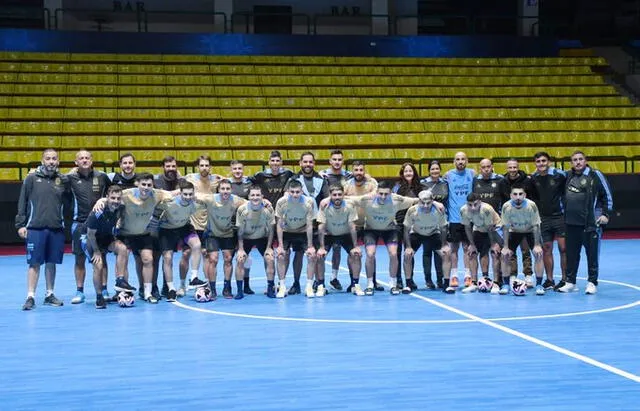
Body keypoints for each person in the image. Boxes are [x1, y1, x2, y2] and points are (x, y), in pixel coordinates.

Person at [100, 172, 174, 303]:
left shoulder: (157, 194)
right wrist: (101, 200)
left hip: (142, 233)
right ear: (137, 184)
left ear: (152, 186)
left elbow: (175, 193)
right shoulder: (127, 194)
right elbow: (112, 197)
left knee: (148, 259)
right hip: (124, 233)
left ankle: (147, 292)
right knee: (123, 260)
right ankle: (122, 292)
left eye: (149, 185)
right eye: (143, 184)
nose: (146, 187)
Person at [342, 180, 419, 295]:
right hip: (371, 229)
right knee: (370, 254)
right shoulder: (367, 199)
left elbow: (417, 200)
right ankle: (369, 284)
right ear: (376, 192)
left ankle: (393, 284)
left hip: (390, 229)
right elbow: (346, 198)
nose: (383, 197)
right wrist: (327, 199)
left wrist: (436, 203)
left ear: (391, 193)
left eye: (386, 194)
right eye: (380, 193)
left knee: (393, 254)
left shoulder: (397, 200)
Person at [16, 148, 69, 310]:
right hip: (35, 228)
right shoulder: (31, 178)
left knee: (51, 262)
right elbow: (22, 202)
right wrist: (20, 224)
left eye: (54, 159)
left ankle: (49, 294)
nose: (51, 161)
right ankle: (30, 296)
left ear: (58, 161)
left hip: (56, 228)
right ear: (42, 160)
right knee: (34, 263)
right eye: (48, 158)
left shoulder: (63, 180)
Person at [557, 151, 613, 294]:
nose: (578, 162)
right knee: (571, 254)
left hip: (590, 223)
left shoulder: (595, 175)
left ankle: (592, 282)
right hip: (571, 222)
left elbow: (607, 195)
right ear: (571, 163)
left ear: (585, 160)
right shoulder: (567, 175)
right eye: (574, 160)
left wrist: (605, 214)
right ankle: (571, 282)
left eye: (580, 159)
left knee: (592, 254)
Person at [67, 150, 111, 304]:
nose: (84, 160)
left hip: (99, 224)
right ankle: (80, 292)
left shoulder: (102, 177)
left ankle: (104, 289)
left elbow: (113, 194)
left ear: (92, 161)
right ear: (76, 162)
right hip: (79, 224)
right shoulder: (70, 178)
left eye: (87, 158)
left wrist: (104, 199)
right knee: (79, 258)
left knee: (101, 257)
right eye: (81, 158)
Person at [152, 180, 205, 302]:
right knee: (168, 258)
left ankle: (194, 277)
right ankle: (171, 289)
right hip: (167, 229)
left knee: (197, 245)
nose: (188, 197)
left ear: (193, 193)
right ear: (180, 193)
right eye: (185, 194)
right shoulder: (169, 203)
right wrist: (153, 225)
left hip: (184, 227)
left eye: (190, 194)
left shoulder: (196, 203)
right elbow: (156, 211)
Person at [81, 185, 133, 309]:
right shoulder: (98, 212)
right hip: (90, 239)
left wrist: (120, 221)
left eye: (118, 198)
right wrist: (97, 252)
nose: (115, 201)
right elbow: (90, 234)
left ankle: (120, 280)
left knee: (123, 248)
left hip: (106, 236)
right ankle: (99, 297)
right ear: (107, 198)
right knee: (98, 265)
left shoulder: (120, 207)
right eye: (112, 198)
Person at [285, 151, 329, 295]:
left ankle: (318, 283)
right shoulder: (294, 179)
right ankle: (296, 283)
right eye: (305, 162)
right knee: (298, 254)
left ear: (314, 163)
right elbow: (286, 197)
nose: (308, 164)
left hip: (316, 224)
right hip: (298, 225)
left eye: (310, 162)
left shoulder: (322, 179)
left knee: (316, 255)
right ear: (300, 163)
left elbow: (327, 199)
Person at [199, 179, 247, 299]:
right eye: (223, 189)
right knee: (213, 259)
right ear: (218, 190)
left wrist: (264, 201)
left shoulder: (236, 200)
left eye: (227, 189)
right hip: (212, 234)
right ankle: (212, 289)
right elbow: (194, 196)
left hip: (228, 234)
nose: (225, 191)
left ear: (231, 190)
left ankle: (227, 288)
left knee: (228, 259)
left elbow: (250, 203)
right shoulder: (210, 199)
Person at [403, 190, 454, 294]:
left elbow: (443, 228)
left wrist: (444, 245)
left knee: (446, 253)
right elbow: (406, 229)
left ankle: (446, 285)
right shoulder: (412, 211)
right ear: (418, 201)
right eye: (422, 203)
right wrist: (408, 247)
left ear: (432, 201)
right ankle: (408, 284)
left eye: (428, 203)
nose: (425, 206)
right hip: (416, 233)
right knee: (407, 255)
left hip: (433, 234)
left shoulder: (438, 211)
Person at [183, 155, 220, 296]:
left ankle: (206, 285)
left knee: (206, 255)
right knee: (186, 254)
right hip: (191, 222)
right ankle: (182, 284)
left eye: (207, 165)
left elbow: (225, 184)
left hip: (207, 223)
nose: (204, 168)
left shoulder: (215, 181)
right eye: (202, 165)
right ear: (198, 167)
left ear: (210, 167)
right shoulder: (190, 179)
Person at [316, 185, 363, 296]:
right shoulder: (324, 206)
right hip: (330, 235)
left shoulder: (349, 206)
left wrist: (356, 245)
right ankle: (320, 286)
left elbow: (352, 226)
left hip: (345, 234)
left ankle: (355, 285)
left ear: (343, 195)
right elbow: (321, 227)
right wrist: (321, 247)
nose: (337, 197)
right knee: (320, 256)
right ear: (330, 196)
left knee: (356, 254)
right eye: (334, 195)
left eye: (339, 194)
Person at [530, 152, 567, 290]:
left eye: (544, 161)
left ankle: (565, 279)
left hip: (560, 217)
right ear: (535, 164)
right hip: (543, 219)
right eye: (538, 161)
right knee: (546, 249)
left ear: (549, 162)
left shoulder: (560, 175)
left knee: (563, 249)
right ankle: (550, 280)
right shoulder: (534, 178)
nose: (541, 163)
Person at [500, 184, 545, 295]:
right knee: (505, 255)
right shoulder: (506, 206)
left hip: (529, 231)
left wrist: (537, 245)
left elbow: (536, 226)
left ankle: (539, 285)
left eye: (520, 194)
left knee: (539, 254)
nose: (518, 197)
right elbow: (505, 227)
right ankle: (505, 284)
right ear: (511, 195)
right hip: (514, 232)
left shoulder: (531, 205)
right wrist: (505, 247)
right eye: (515, 194)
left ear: (524, 195)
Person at [275, 180, 316, 298]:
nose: (295, 194)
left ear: (302, 191)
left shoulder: (309, 202)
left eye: (297, 192)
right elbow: (279, 224)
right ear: (288, 191)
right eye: (292, 192)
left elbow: (309, 225)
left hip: (302, 232)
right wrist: (280, 245)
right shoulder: (281, 202)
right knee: (281, 255)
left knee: (310, 255)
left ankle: (308, 286)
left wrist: (310, 246)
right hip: (287, 231)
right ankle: (282, 286)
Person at [319, 149, 352, 291]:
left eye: (339, 159)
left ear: (342, 161)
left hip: (343, 215)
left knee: (338, 249)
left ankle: (334, 277)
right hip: (326, 215)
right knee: (321, 252)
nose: (337, 162)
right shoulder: (322, 175)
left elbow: (364, 178)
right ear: (330, 161)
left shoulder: (348, 176)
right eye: (335, 159)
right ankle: (319, 281)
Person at [471, 158, 508, 288]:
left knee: (496, 252)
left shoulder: (500, 180)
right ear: (480, 168)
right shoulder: (475, 180)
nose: (486, 169)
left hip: (496, 225)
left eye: (488, 166)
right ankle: (484, 279)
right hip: (480, 225)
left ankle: (498, 281)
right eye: (483, 167)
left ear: (492, 167)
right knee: (480, 252)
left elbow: (506, 201)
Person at [342, 160, 378, 291]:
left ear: (364, 170)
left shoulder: (372, 183)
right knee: (352, 254)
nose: (358, 173)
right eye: (356, 170)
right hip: (352, 225)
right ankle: (353, 282)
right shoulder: (346, 185)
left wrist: (351, 199)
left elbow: (375, 195)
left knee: (371, 254)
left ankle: (373, 281)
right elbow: (340, 198)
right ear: (352, 171)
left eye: (361, 170)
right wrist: (364, 198)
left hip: (369, 224)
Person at [235, 186, 276, 298]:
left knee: (270, 258)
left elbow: (271, 230)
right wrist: (241, 249)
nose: (255, 197)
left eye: (258, 195)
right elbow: (240, 231)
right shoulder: (242, 209)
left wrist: (269, 248)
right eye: (252, 195)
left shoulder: (268, 209)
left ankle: (270, 289)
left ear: (262, 197)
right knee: (240, 259)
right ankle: (241, 290)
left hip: (262, 238)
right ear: (248, 197)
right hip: (246, 238)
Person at [461, 193, 503, 293]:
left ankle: (496, 283)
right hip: (479, 229)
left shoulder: (486, 209)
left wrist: (493, 245)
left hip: (495, 229)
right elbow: (467, 228)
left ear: (480, 202)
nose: (473, 207)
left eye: (475, 204)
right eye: (470, 205)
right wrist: (471, 244)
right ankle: (474, 283)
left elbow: (489, 228)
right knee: (472, 253)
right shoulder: (464, 210)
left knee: (494, 253)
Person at [444, 151, 475, 288]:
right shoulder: (449, 176)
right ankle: (455, 275)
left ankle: (468, 275)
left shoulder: (472, 174)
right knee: (454, 248)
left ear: (466, 161)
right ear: (454, 162)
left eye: (463, 159)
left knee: (467, 248)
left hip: (469, 217)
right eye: (458, 159)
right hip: (454, 217)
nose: (460, 161)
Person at [392, 162, 426, 290]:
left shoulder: (421, 188)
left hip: (415, 223)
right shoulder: (397, 187)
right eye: (405, 171)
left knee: (409, 252)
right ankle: (399, 280)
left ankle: (409, 279)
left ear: (414, 172)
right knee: (398, 253)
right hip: (400, 223)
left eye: (410, 171)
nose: (408, 173)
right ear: (402, 174)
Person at [503, 158, 535, 286]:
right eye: (510, 167)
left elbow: (532, 198)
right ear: (507, 169)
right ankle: (512, 275)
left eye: (514, 167)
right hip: (510, 221)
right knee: (511, 250)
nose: (512, 170)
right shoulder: (502, 182)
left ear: (518, 167)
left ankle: (528, 275)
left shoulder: (527, 181)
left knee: (525, 249)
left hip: (525, 221)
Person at [228, 159, 256, 294]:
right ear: (231, 170)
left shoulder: (249, 183)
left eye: (240, 168)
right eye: (235, 169)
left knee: (246, 257)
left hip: (246, 224)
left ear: (243, 169)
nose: (237, 171)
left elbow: (254, 199)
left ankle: (246, 285)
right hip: (230, 224)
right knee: (229, 257)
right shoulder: (227, 184)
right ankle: (228, 286)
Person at [420, 160, 449, 288]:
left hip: (441, 221)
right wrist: (435, 203)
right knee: (427, 251)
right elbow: (420, 200)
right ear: (429, 171)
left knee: (439, 251)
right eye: (432, 169)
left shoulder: (445, 183)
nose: (435, 171)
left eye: (437, 168)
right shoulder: (423, 184)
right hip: (426, 220)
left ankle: (440, 279)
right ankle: (428, 280)